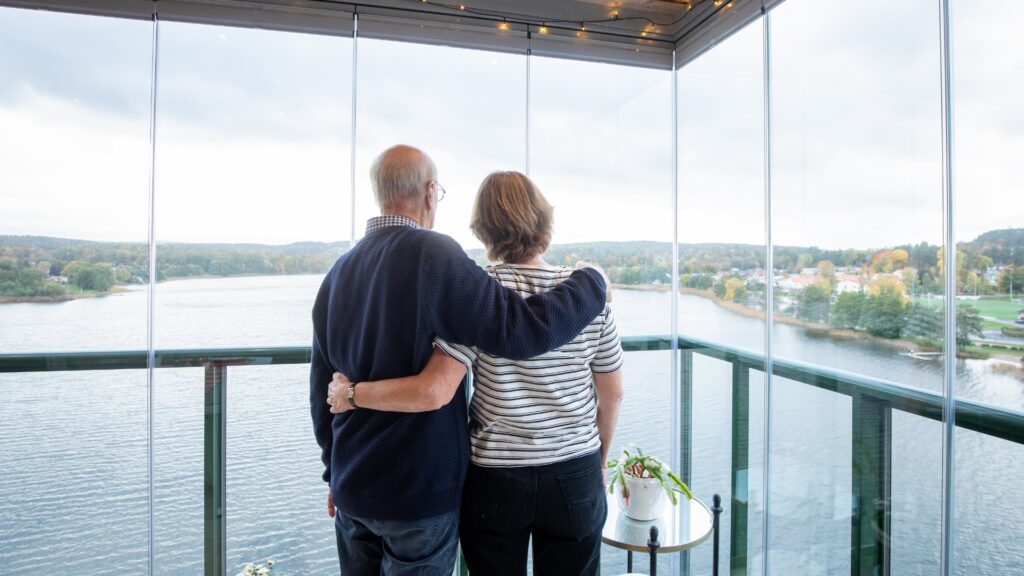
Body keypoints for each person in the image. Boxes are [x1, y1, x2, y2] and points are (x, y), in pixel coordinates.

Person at [310, 146, 610, 576]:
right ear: (431, 193)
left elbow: (321, 391)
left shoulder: (335, 274)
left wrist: (332, 474)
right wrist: (592, 283)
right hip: (419, 493)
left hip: (353, 488)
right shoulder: (436, 255)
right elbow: (520, 330)